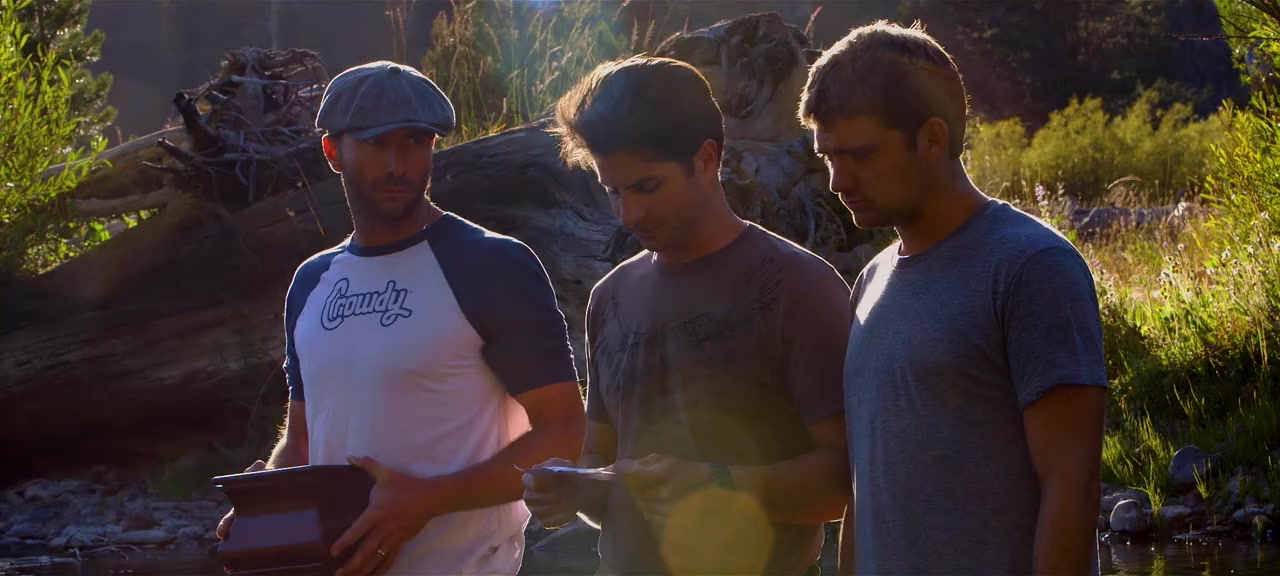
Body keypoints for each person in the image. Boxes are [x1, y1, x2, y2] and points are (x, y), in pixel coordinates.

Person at [214, 60, 587, 576]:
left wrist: (429, 500)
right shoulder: (312, 282)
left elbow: (564, 431)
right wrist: (267, 503)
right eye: (376, 144)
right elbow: (301, 440)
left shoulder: (491, 265)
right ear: (332, 152)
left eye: (415, 142)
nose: (398, 165)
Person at [521, 56, 852, 576]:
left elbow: (844, 480)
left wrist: (719, 484)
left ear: (705, 158)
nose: (629, 214)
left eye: (648, 187)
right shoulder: (611, 297)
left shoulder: (798, 288)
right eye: (613, 191)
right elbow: (601, 462)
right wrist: (574, 490)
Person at [799, 21, 1109, 575]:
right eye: (829, 158)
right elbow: (864, 492)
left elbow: (1072, 483)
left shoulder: (1032, 268)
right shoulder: (870, 282)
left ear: (932, 139)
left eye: (860, 155)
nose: (838, 181)